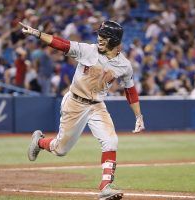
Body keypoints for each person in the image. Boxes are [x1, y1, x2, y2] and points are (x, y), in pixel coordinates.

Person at [19, 20, 145, 200]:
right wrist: (38, 34)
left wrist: (138, 116)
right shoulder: (88, 50)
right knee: (60, 150)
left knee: (111, 141)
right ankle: (39, 142)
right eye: (99, 35)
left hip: (97, 106)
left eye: (104, 36)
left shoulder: (124, 65)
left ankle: (105, 187)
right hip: (75, 103)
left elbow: (130, 91)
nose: (99, 38)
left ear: (115, 40)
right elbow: (62, 44)